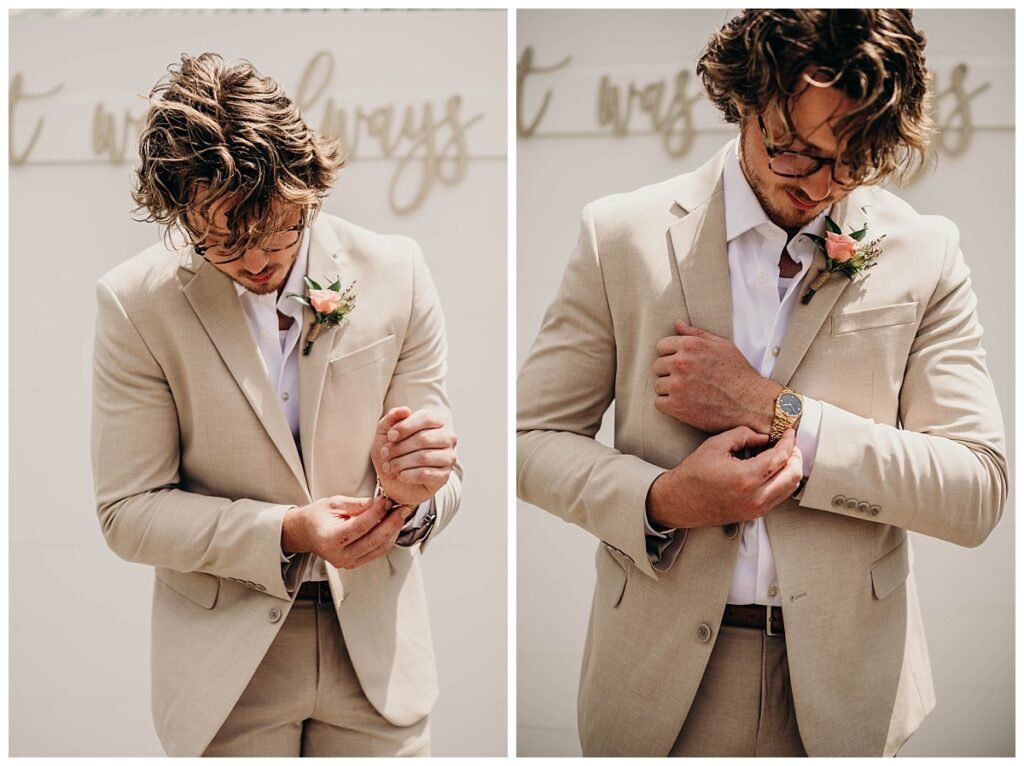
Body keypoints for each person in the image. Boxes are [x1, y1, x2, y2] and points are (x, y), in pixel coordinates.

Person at [517, 9, 1006, 757]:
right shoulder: (621, 235)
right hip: (658, 686)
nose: (824, 185)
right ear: (744, 103)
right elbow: (530, 441)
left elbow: (975, 491)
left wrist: (769, 408)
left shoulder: (927, 254)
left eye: (855, 160)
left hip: (849, 692)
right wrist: (663, 500)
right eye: (797, 153)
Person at [91, 52, 461, 757]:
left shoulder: (398, 272)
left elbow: (445, 478)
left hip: (378, 661)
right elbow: (127, 512)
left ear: (308, 189)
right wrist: (287, 530)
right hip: (224, 672)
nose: (260, 259)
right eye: (226, 240)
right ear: (181, 215)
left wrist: (416, 496)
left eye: (280, 230)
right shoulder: (134, 305)